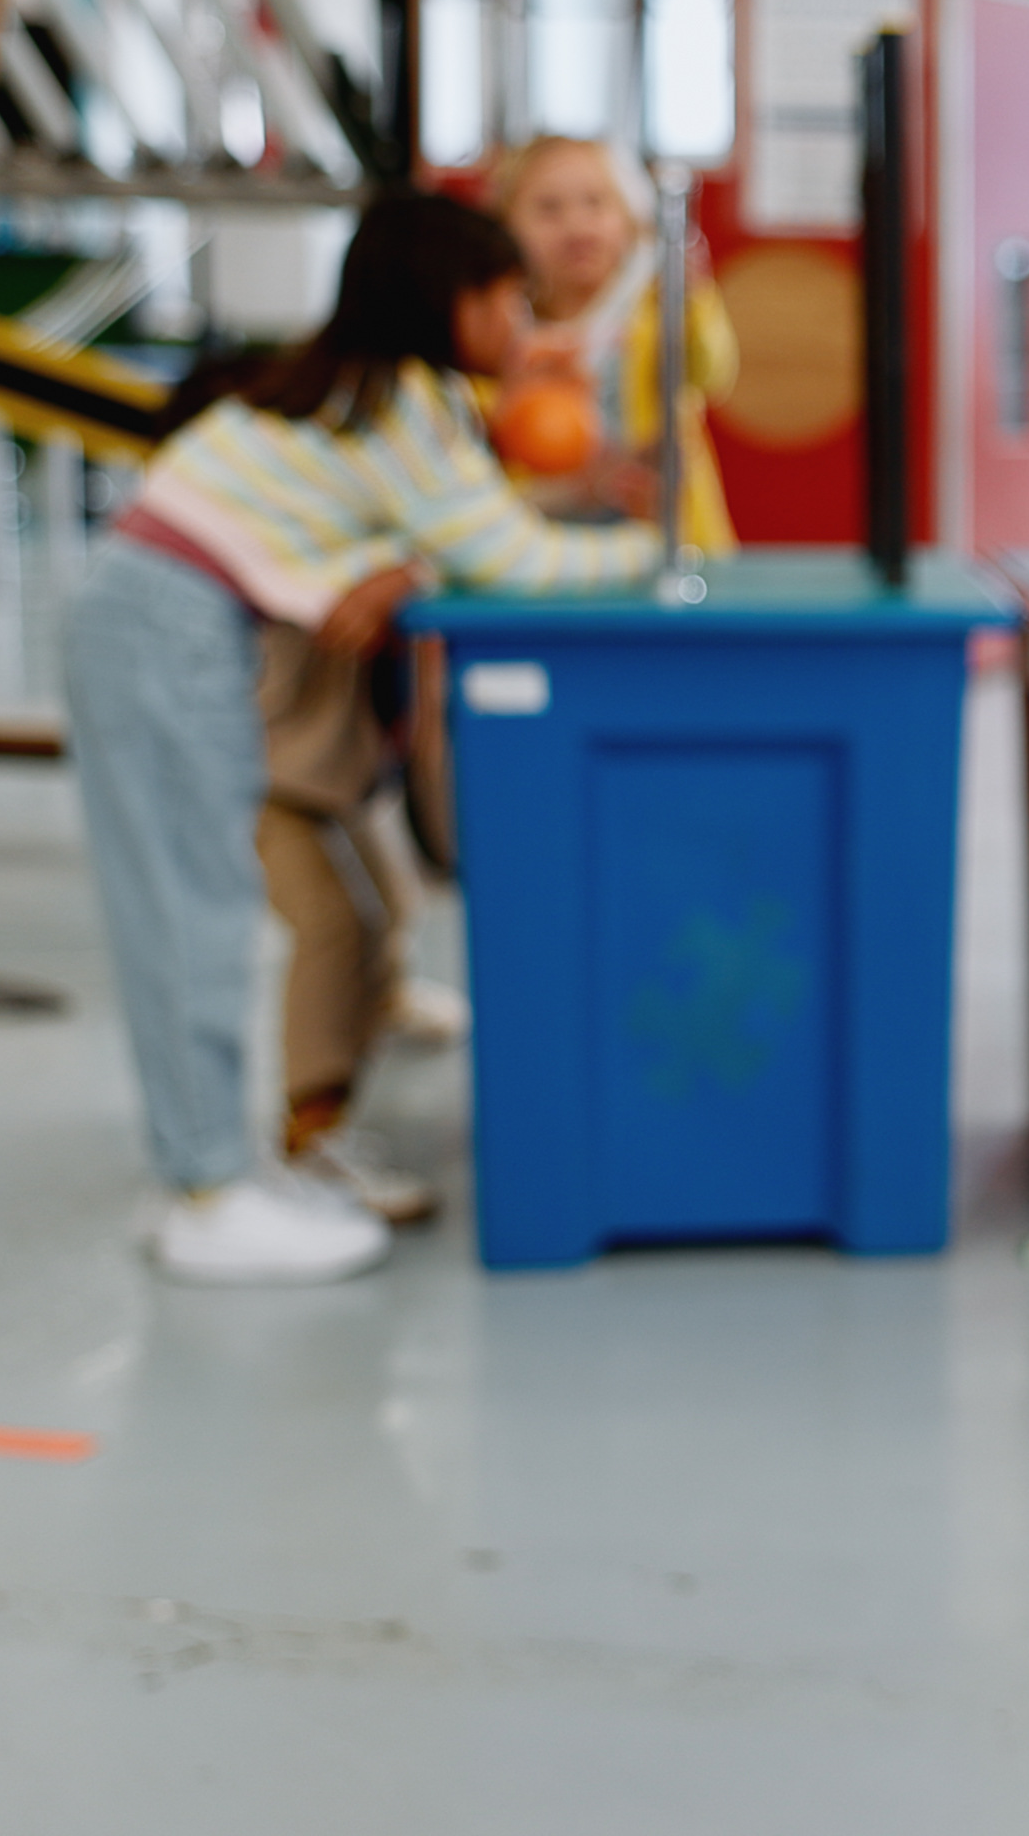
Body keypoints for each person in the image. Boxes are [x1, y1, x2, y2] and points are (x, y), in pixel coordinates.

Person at [69, 194, 662, 1285]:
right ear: (453, 301)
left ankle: (207, 1174)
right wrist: (651, 556)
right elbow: (513, 557)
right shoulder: (396, 408)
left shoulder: (372, 393)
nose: (519, 324)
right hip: (163, 625)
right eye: (506, 300)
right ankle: (207, 1197)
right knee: (192, 913)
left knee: (192, 905)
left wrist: (418, 564)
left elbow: (436, 536)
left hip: (156, 612)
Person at [483, 135, 739, 549]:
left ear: (629, 220)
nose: (576, 225)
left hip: (657, 529)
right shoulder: (503, 328)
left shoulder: (655, 308)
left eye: (596, 203)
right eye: (549, 209)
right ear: (507, 226)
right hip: (545, 536)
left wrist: (693, 301)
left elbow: (712, 374)